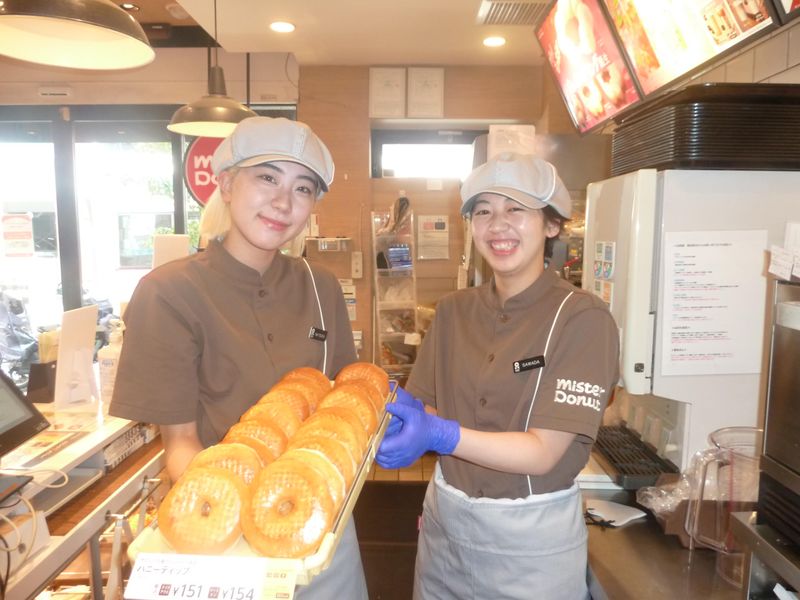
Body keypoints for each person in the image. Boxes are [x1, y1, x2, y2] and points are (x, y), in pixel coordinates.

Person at [109, 116, 368, 600]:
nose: (283, 202)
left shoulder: (321, 286)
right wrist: (250, 522)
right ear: (226, 184)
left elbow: (340, 406)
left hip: (322, 528)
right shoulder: (169, 293)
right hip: (228, 537)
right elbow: (181, 445)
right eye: (267, 177)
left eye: (303, 188)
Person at [376, 152, 620, 599]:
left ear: (551, 225)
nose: (497, 225)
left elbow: (543, 453)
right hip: (445, 527)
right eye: (483, 211)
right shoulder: (452, 311)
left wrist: (440, 434)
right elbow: (429, 406)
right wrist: (397, 416)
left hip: (530, 542)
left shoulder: (583, 319)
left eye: (516, 209)